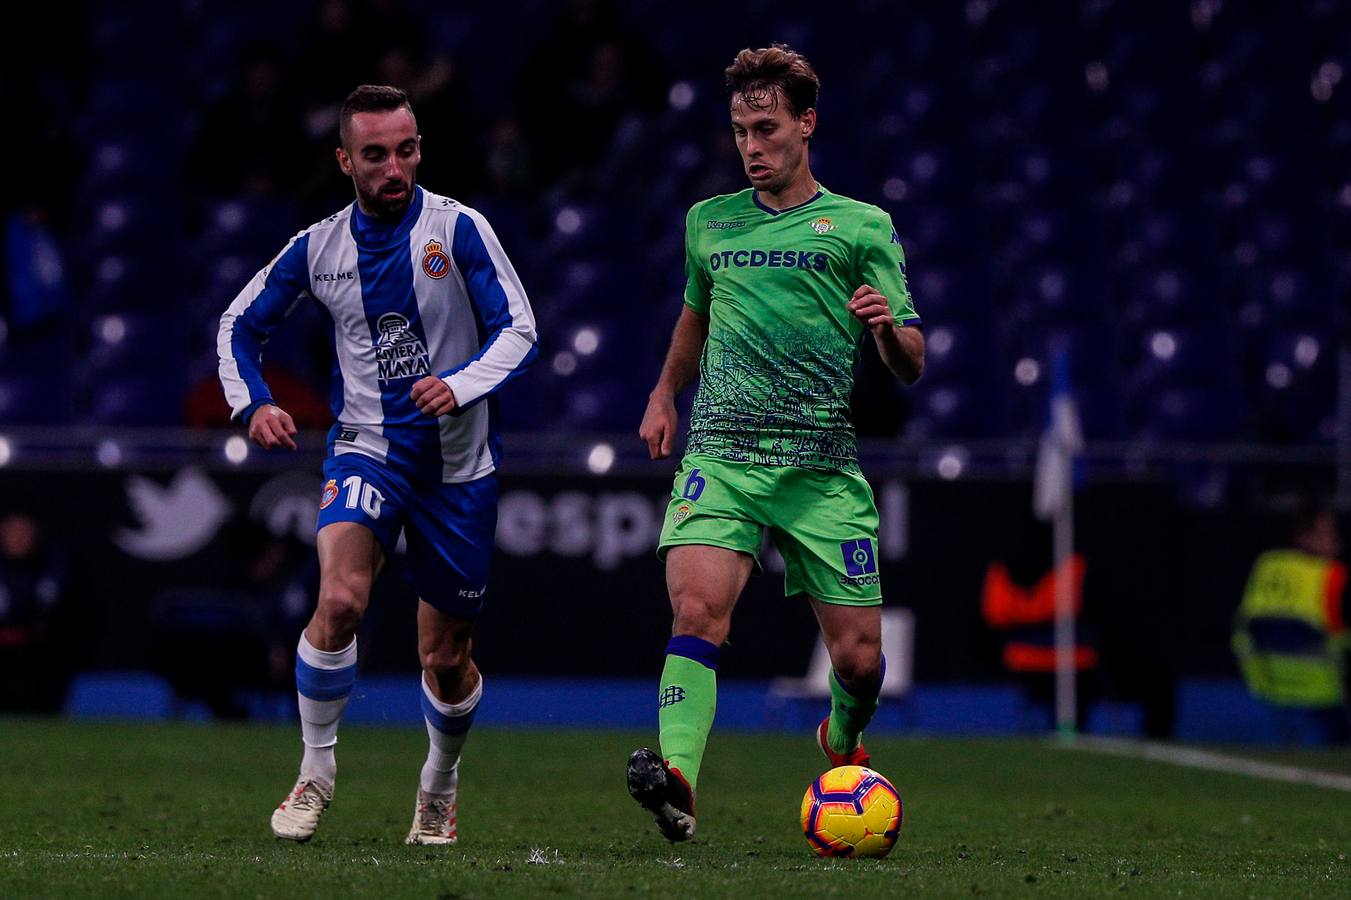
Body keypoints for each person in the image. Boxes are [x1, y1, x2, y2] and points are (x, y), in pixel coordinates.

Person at [216, 84, 538, 844]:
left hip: (458, 470)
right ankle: (315, 773)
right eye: (375, 154)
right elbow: (238, 326)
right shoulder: (317, 248)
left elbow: (519, 329)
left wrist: (457, 385)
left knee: (445, 656)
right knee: (340, 602)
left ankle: (438, 783)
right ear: (344, 161)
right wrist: (253, 402)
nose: (394, 166)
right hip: (365, 448)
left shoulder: (458, 230)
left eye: (406, 149)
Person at [625, 45, 924, 841]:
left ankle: (841, 738)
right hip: (720, 457)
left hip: (820, 471)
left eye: (766, 128)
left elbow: (912, 363)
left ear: (805, 125)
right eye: (738, 130)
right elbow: (695, 313)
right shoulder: (709, 223)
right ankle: (679, 776)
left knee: (859, 662)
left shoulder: (862, 227)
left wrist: (886, 331)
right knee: (695, 610)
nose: (751, 146)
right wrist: (664, 392)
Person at [1233, 505, 1349, 745]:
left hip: (1265, 681)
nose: (1335, 541)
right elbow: (1341, 635)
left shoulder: (1268, 562)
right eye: (1327, 534)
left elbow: (1243, 624)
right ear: (1303, 536)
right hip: (1319, 688)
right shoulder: (1332, 574)